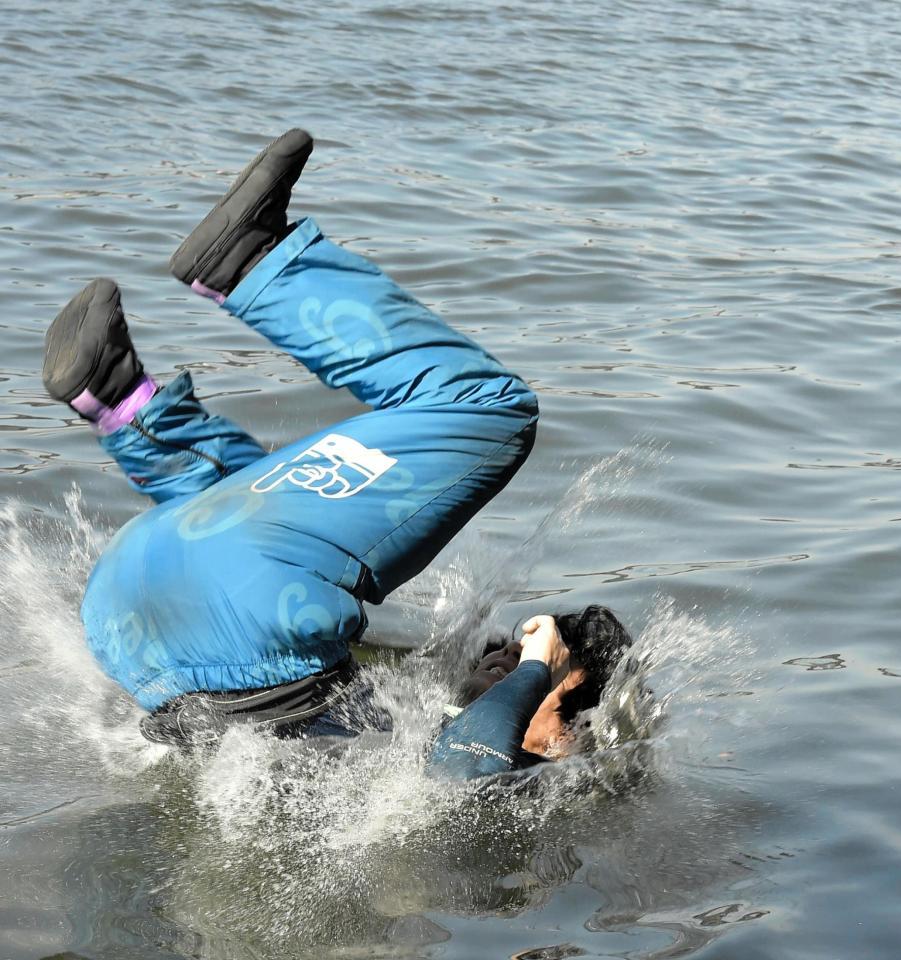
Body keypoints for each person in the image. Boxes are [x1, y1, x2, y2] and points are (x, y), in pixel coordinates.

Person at [42, 129, 630, 778]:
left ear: (566, 735)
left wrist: (536, 670)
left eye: (530, 670)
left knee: (494, 406)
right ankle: (124, 406)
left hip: (225, 636)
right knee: (251, 510)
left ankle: (257, 264)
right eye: (515, 657)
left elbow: (464, 769)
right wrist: (522, 669)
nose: (507, 660)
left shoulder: (514, 777)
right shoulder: (395, 722)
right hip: (132, 620)